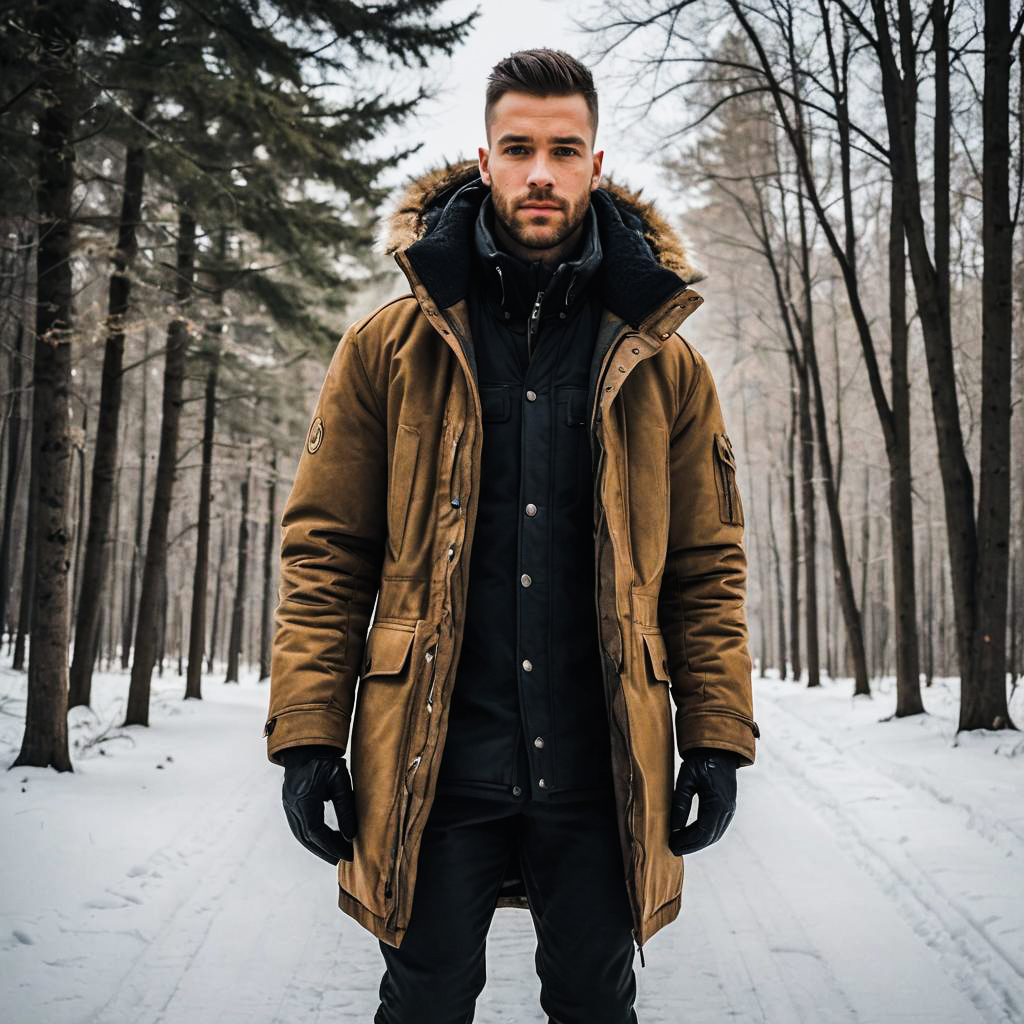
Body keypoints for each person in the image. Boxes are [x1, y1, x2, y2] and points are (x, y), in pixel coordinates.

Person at [264, 48, 759, 1024]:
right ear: (485, 159)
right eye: (519, 147)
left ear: (594, 160)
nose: (541, 172)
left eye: (563, 150)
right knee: (423, 1002)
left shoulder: (667, 364)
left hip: (599, 762)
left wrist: (713, 734)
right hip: (434, 760)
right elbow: (325, 555)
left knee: (592, 1003)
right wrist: (309, 733)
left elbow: (705, 570)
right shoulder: (387, 348)